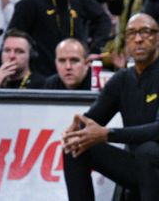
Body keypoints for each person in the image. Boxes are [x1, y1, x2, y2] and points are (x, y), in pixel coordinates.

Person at [62, 13, 159, 200]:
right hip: (139, 167)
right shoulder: (122, 79)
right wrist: (78, 129)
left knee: (148, 150)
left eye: (145, 32)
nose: (138, 39)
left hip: (153, 160)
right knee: (76, 145)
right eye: (131, 33)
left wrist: (108, 134)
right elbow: (92, 121)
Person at [8, 0, 110, 77]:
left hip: (75, 79)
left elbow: (103, 19)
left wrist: (94, 48)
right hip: (41, 79)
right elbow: (12, 38)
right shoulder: (30, 2)